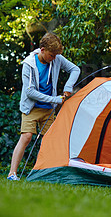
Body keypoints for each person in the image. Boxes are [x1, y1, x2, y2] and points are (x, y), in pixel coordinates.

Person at [7, 32, 80, 180]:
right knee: (26, 137)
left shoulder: (56, 58)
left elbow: (75, 69)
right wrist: (54, 99)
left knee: (50, 140)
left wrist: (68, 86)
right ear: (42, 50)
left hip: (48, 109)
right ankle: (12, 173)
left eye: (55, 56)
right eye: (51, 55)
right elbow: (30, 92)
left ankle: (47, 172)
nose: (54, 58)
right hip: (31, 108)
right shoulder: (28, 64)